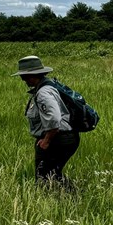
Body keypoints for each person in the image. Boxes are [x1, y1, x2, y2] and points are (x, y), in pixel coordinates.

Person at [14, 54, 79, 185]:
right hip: (65, 137)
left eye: (23, 76)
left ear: (30, 75)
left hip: (57, 139)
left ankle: (64, 198)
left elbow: (54, 118)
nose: (22, 80)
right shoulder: (49, 86)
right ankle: (72, 195)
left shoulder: (43, 93)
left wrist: (47, 140)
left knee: (44, 177)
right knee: (53, 174)